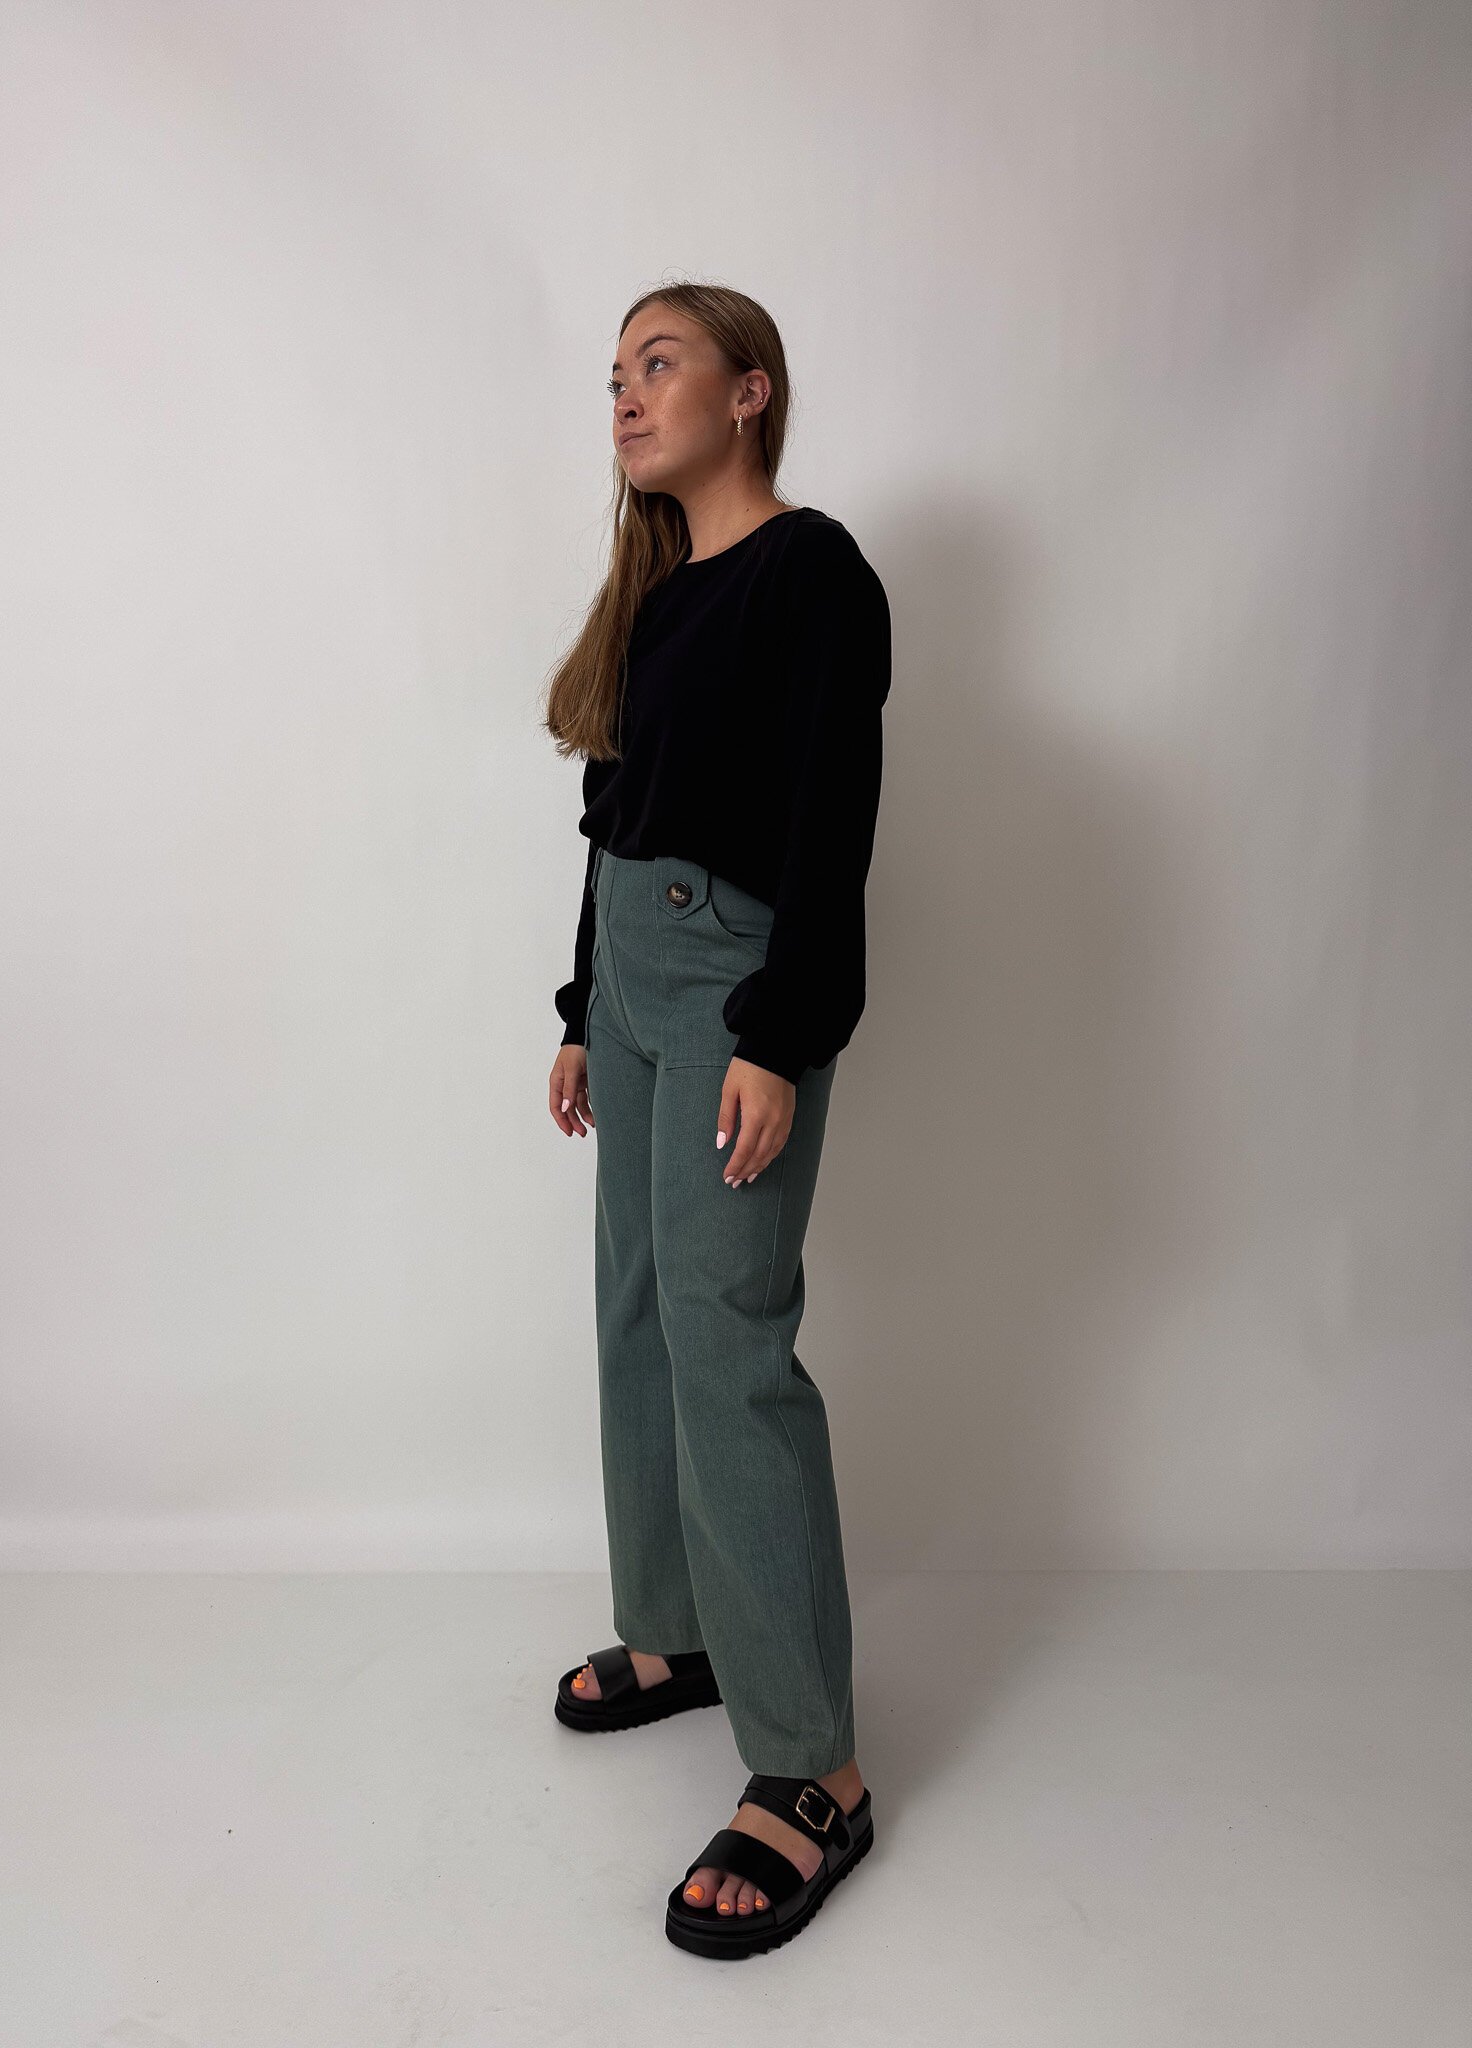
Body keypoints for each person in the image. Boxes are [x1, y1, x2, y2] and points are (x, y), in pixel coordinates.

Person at [541, 280, 891, 1959]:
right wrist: (579, 1008)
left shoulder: (811, 571)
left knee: (728, 1328)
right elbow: (616, 816)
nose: (625, 394)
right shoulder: (659, 595)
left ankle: (812, 1765)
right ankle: (681, 1631)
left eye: (659, 363)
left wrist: (781, 1032)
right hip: (633, 976)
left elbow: (832, 818)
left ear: (751, 391)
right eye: (614, 374)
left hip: (734, 980)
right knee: (638, 1312)